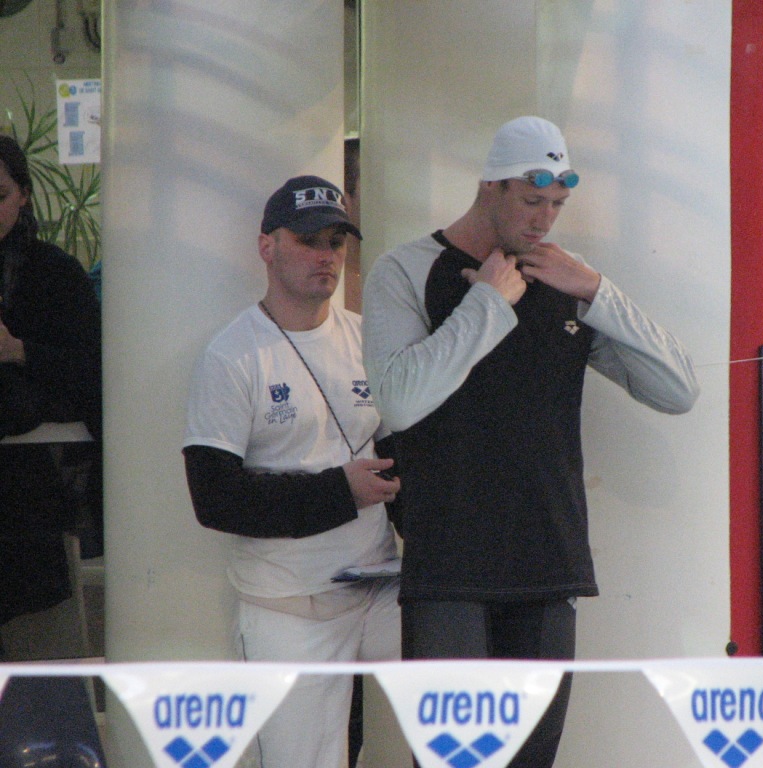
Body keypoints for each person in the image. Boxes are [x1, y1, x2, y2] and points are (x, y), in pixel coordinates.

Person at [362, 116, 700, 767]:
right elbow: (399, 400)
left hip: (548, 566)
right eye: (531, 200)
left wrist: (599, 292)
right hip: (450, 571)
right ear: (490, 186)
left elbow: (678, 389)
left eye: (556, 205)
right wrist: (488, 305)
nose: (545, 219)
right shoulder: (406, 270)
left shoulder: (565, 283)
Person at [182, 175, 401, 768]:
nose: (326, 255)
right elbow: (215, 499)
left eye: (336, 241)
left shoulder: (368, 339)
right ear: (267, 246)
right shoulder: (231, 356)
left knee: (472, 686)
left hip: (381, 589)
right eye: (307, 240)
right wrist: (341, 491)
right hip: (288, 606)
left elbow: (400, 455)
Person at [0, 134, 102, 641]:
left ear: (24, 195)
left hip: (29, 493)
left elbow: (92, 371)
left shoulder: (55, 274)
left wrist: (19, 350)